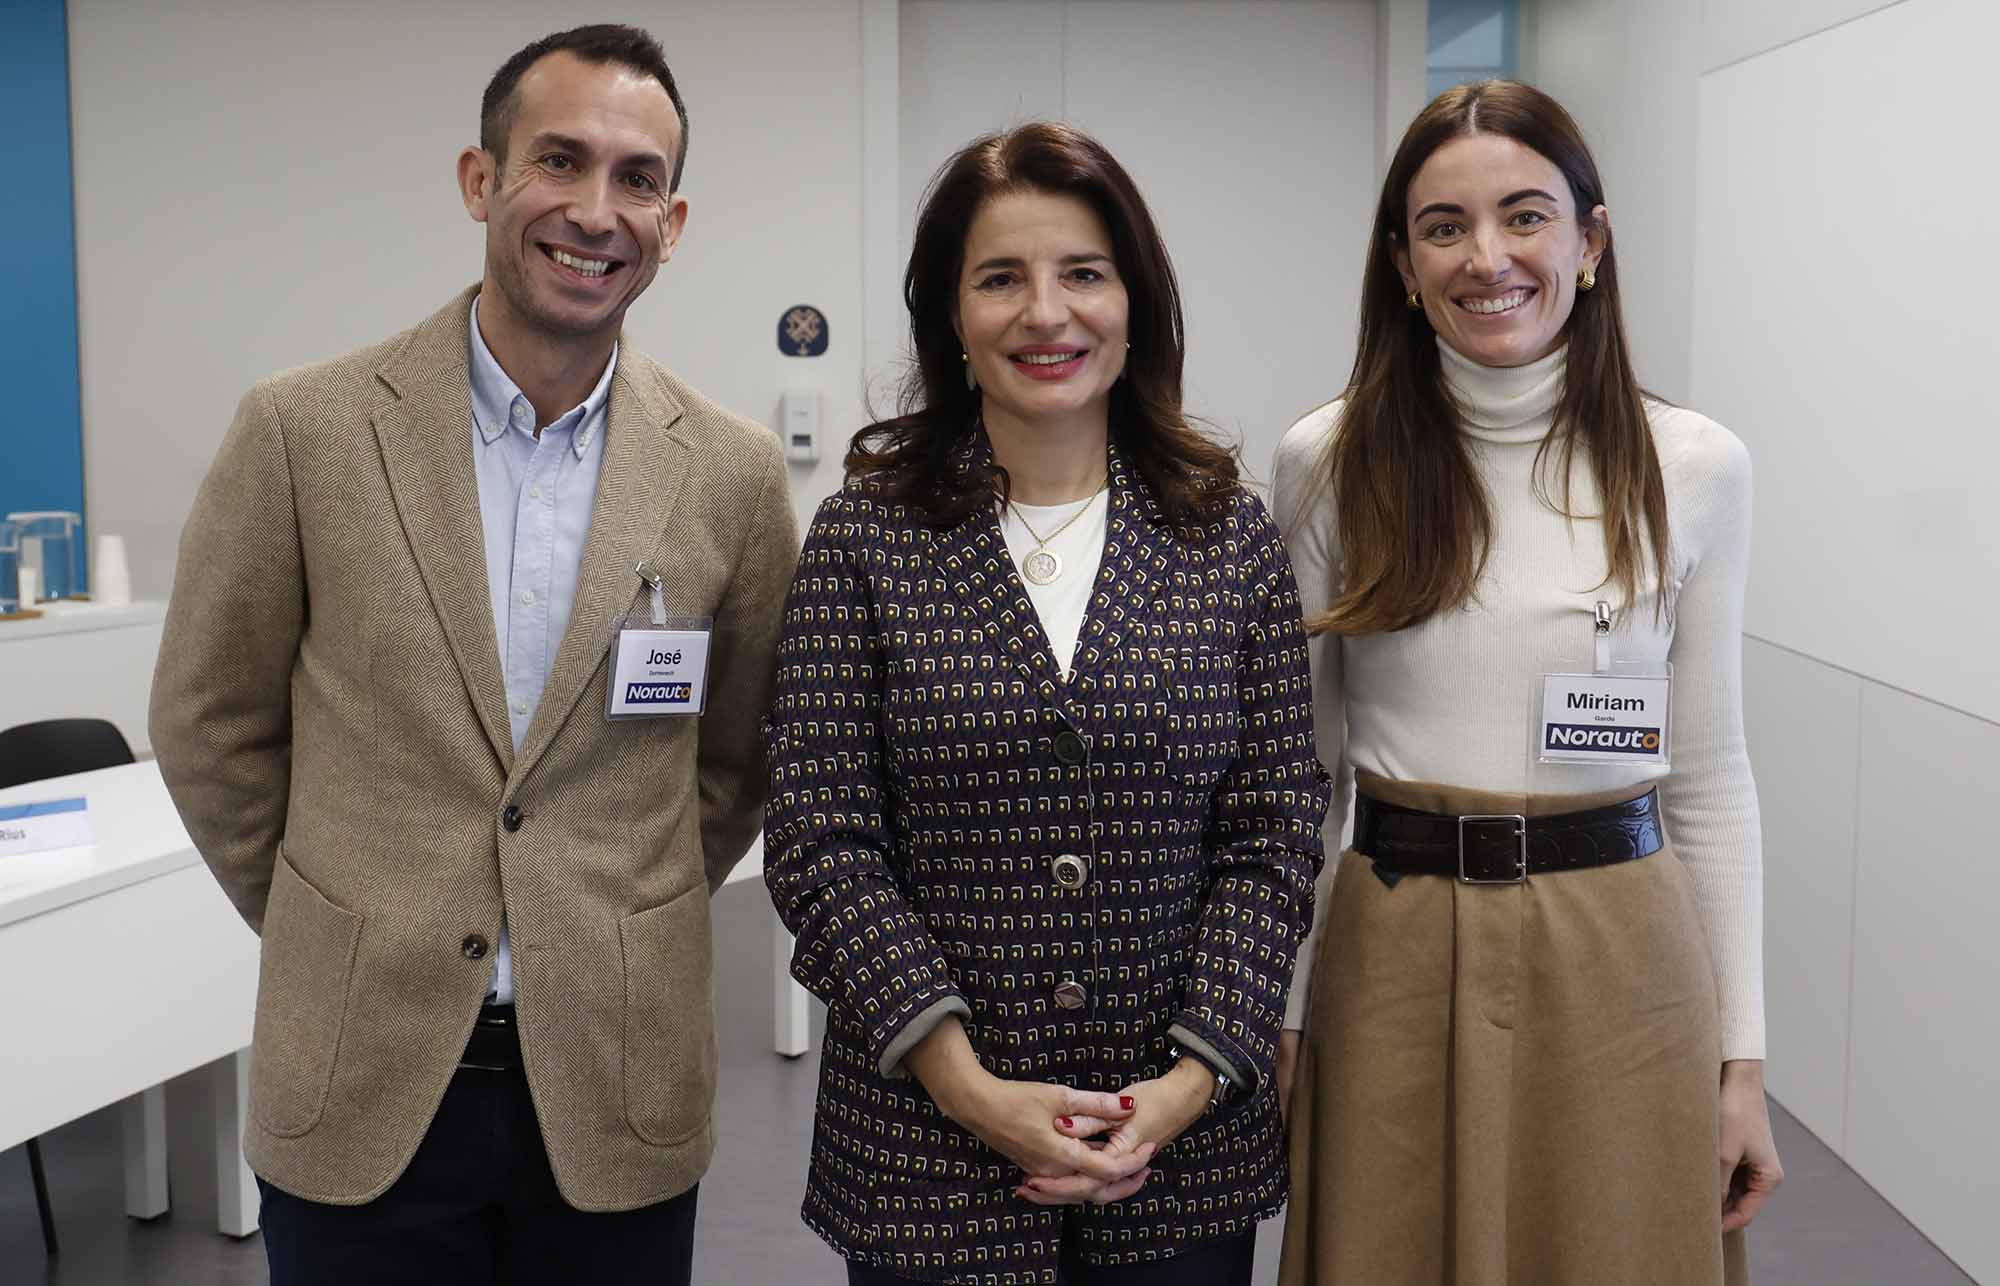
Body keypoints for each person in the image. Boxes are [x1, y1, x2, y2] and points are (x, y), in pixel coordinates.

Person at [148, 25, 797, 1285]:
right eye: (559, 160)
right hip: (361, 1069)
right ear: (480, 179)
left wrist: (610, 907)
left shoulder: (730, 474)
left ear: (672, 221)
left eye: (636, 178)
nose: (595, 211)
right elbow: (210, 720)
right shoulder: (304, 431)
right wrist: (335, 915)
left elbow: (735, 758)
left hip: (614, 1074)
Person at [763, 122, 1330, 1284]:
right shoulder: (864, 537)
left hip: (1176, 1150)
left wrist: (1181, 1086)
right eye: (1000, 278)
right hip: (926, 1148)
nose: (1045, 312)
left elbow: (1274, 827)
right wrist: (965, 1085)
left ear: (1134, 302)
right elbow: (821, 838)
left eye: (1082, 272)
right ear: (952, 320)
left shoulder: (1229, 535)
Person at [1271, 80, 1781, 1285]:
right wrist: (1284, 1019)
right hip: (1392, 945)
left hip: (1621, 957)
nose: (1484, 257)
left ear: (1588, 242)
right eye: (1442, 226)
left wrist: (1742, 1063)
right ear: (1400, 263)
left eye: (1523, 216)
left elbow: (1707, 780)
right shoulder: (1326, 462)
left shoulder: (1692, 466)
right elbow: (1300, 786)